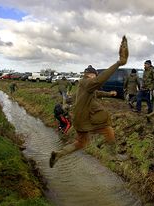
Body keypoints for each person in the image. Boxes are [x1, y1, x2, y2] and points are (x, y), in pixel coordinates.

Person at [49, 36, 128, 168]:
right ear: (91, 75)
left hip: (79, 120)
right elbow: (98, 82)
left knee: (80, 143)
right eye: (95, 75)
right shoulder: (87, 81)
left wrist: (109, 93)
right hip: (88, 119)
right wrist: (118, 63)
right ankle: (113, 155)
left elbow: (96, 92)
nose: (95, 77)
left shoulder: (82, 85)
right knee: (108, 130)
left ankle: (58, 154)